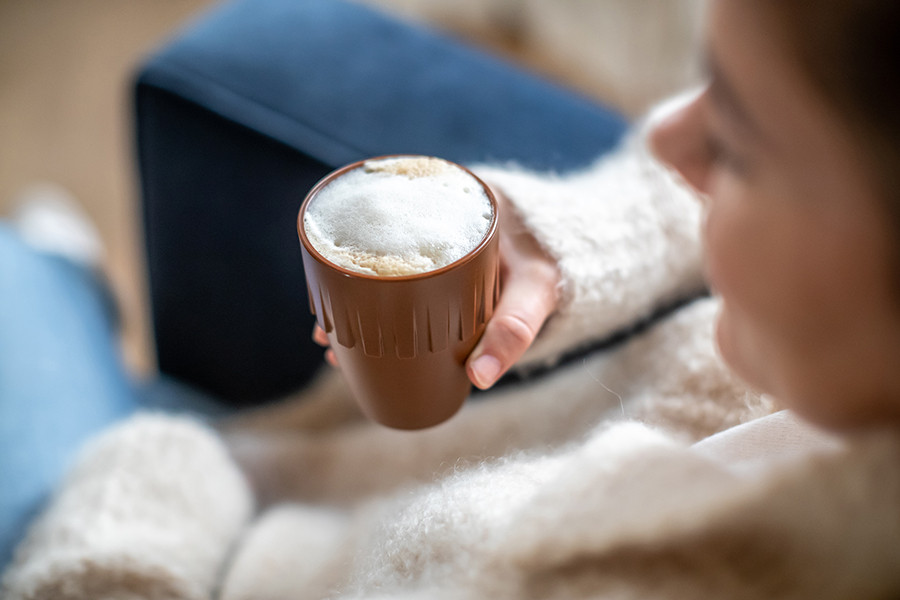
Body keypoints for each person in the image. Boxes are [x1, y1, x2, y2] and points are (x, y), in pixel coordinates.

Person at [4, 0, 900, 597]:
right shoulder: (839, 374)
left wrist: (144, 497)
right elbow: (737, 176)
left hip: (202, 535)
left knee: (22, 288)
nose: (666, 140)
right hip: (299, 486)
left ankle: (67, 288)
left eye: (737, 143)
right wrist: (574, 240)